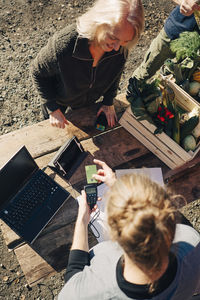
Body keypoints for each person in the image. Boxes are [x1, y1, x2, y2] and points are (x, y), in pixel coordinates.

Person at [58, 159, 200, 300]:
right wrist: (118, 187)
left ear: (114, 236)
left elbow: (73, 275)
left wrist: (83, 219)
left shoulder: (91, 292)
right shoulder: (191, 241)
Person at [30, 0, 144, 129]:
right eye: (114, 37)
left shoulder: (121, 50)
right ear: (99, 22)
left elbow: (114, 75)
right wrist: (52, 108)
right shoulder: (64, 46)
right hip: (59, 99)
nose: (117, 48)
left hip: (87, 101)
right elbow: (37, 72)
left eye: (125, 41)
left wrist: (108, 102)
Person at [131, 0, 200, 83]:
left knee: (182, 83)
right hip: (173, 32)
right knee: (144, 74)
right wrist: (183, 1)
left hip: (195, 50)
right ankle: (132, 93)